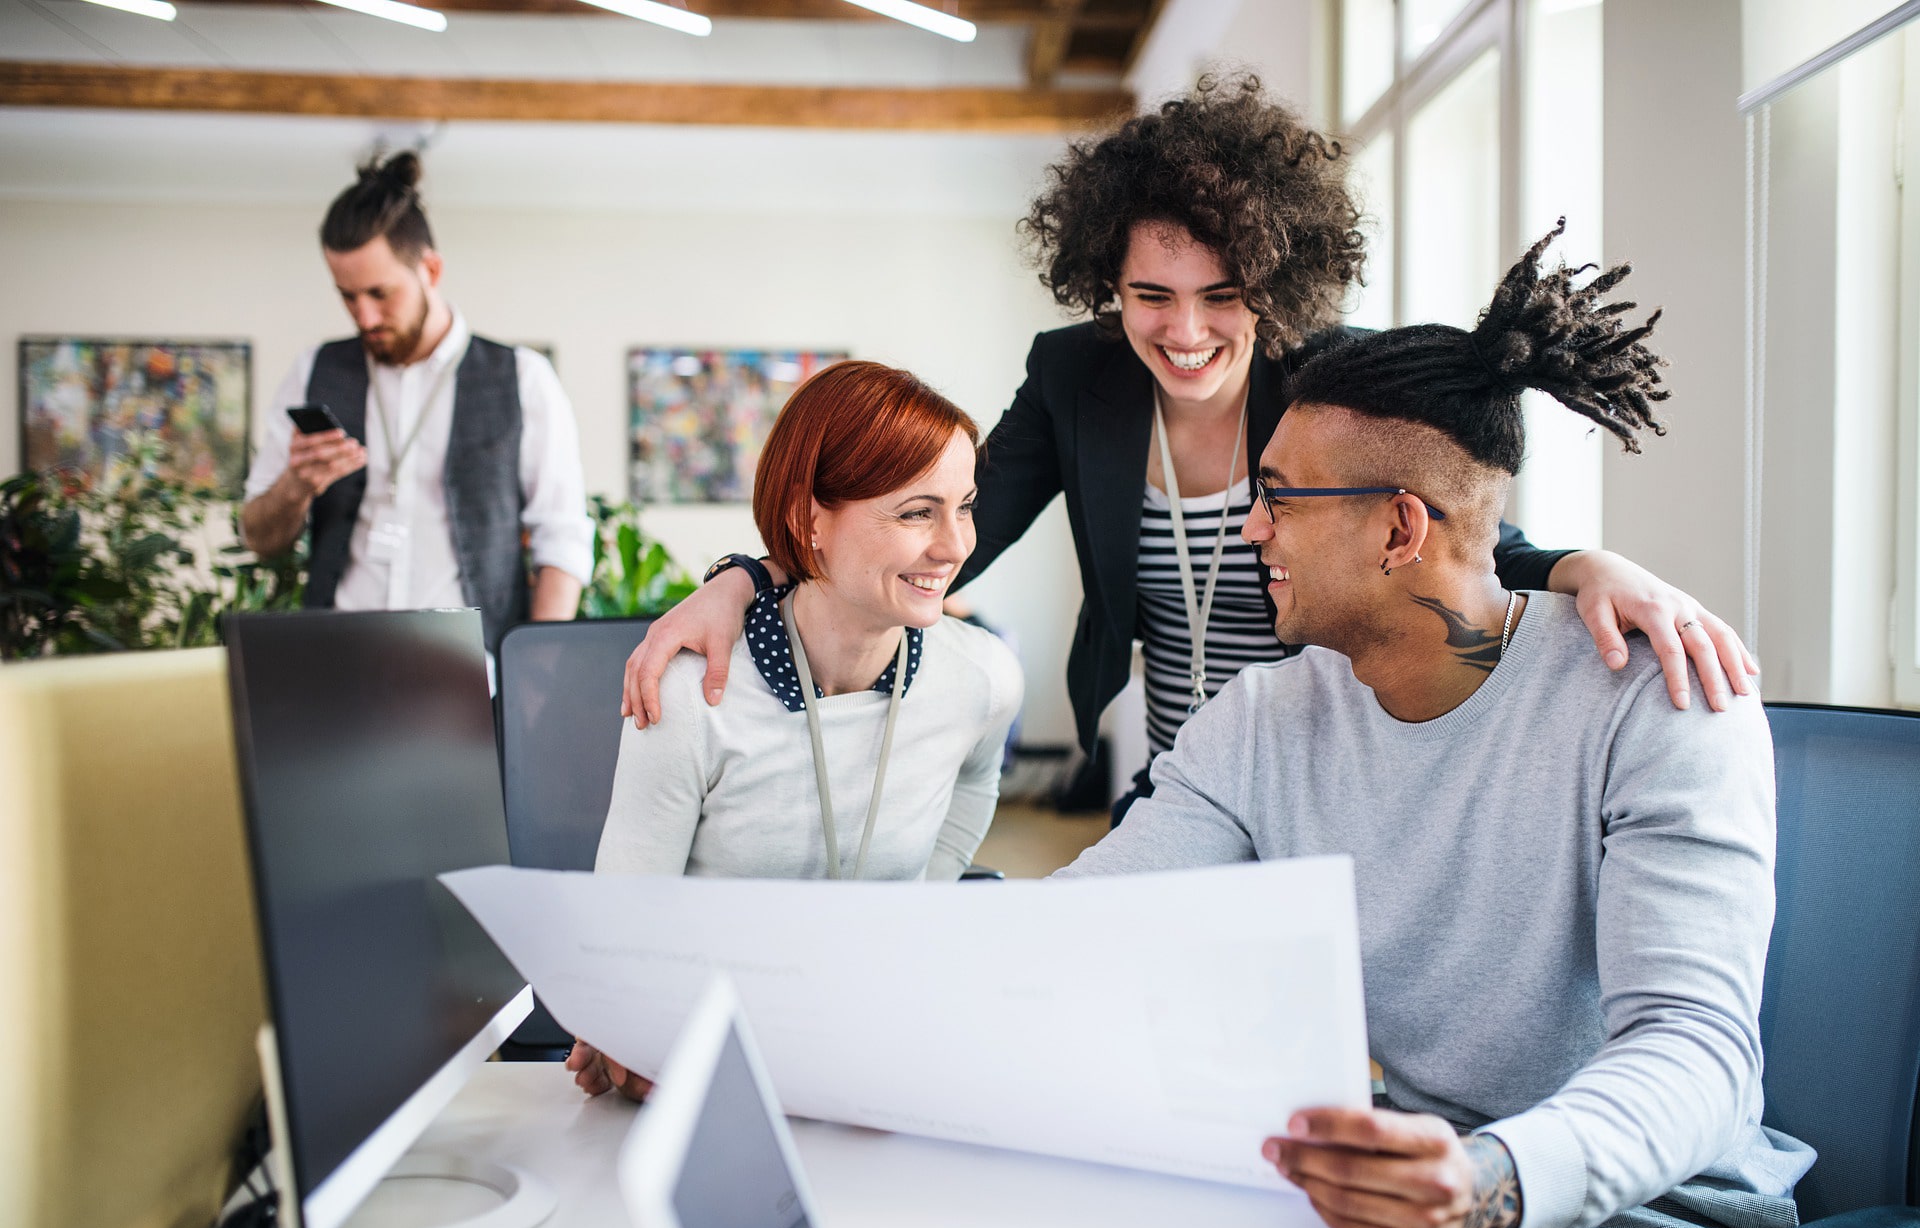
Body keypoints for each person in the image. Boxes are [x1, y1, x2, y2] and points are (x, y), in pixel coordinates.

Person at [615, 77, 1755, 821]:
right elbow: (932, 528)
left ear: (1272, 281)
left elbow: (1453, 532)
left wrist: (1582, 567)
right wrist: (749, 575)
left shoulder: (1328, 383)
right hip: (1181, 778)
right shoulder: (1077, 378)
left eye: (1223, 294)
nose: (1188, 331)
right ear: (1104, 286)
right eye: (1150, 295)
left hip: (1336, 771)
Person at [1054, 225, 1813, 1228]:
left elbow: (1697, 1052)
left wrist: (1482, 1181)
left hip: (1640, 1217)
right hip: (1389, 1196)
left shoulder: (1662, 700)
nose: (1251, 532)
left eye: (1279, 499)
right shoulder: (1263, 720)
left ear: (1400, 529)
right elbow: (1079, 931)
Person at [569, 360, 1024, 1101]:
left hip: (877, 1055)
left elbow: (975, 781)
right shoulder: (693, 695)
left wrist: (918, 903)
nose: (954, 546)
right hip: (716, 1057)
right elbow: (625, 927)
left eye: (963, 506)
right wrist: (627, 1024)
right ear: (811, 518)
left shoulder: (981, 679)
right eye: (916, 512)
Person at [241, 152, 593, 655]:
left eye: (380, 293)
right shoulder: (312, 371)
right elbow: (259, 534)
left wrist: (535, 673)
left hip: (474, 674)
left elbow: (562, 541)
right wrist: (295, 487)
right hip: (334, 669)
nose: (364, 316)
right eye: (347, 296)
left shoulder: (523, 378)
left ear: (431, 268)